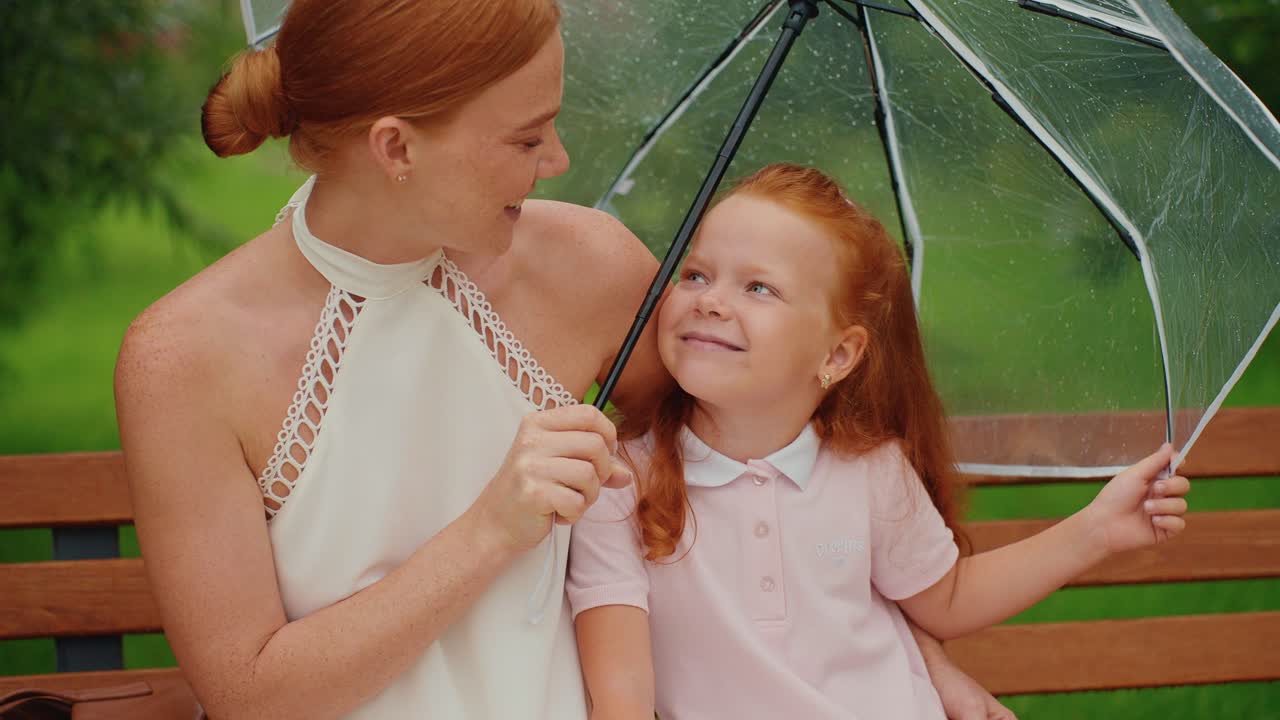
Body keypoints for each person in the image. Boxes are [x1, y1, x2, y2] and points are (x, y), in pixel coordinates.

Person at [113, 0, 1011, 716]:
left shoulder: (592, 267)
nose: (558, 159)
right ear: (396, 148)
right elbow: (251, 695)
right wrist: (488, 532)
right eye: (525, 136)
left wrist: (909, 657)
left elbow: (744, 475)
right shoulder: (184, 360)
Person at [567, 163, 1192, 720]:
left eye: (759, 288)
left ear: (837, 353)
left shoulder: (869, 469)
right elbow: (621, 691)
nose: (712, 302)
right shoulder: (618, 482)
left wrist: (1096, 531)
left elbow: (945, 599)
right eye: (697, 274)